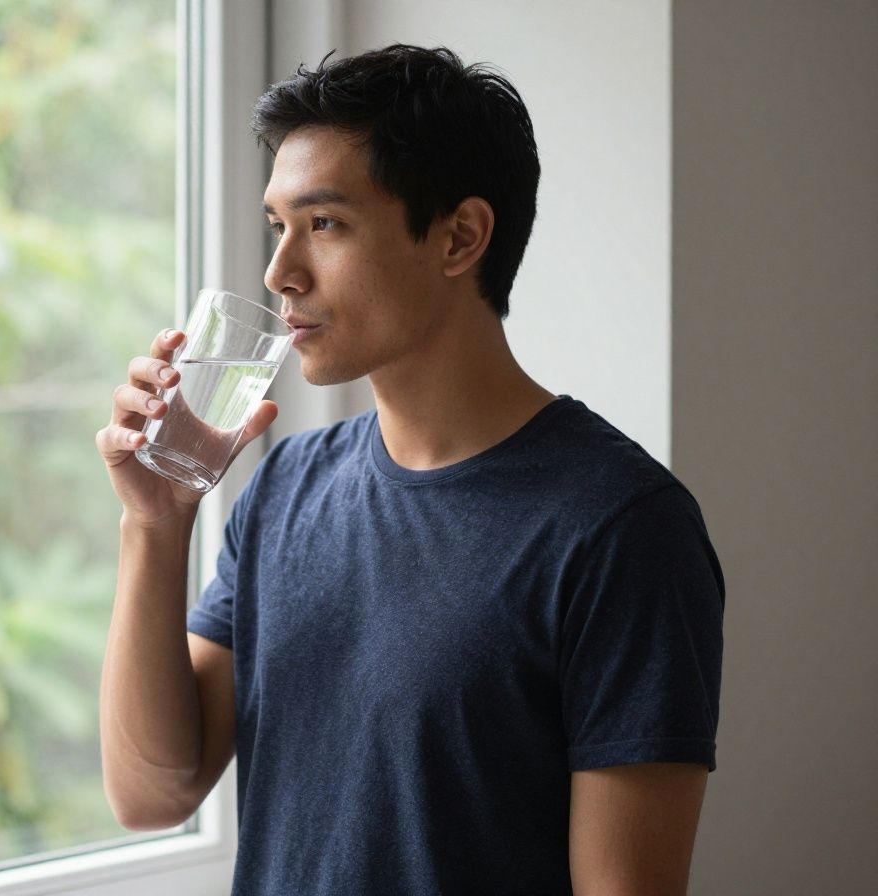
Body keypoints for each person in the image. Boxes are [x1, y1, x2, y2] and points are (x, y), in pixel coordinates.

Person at [96, 44, 724, 896]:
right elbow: (151, 792)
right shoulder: (284, 490)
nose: (280, 272)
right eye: (278, 225)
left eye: (325, 224)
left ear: (460, 236)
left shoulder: (621, 527)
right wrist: (157, 523)